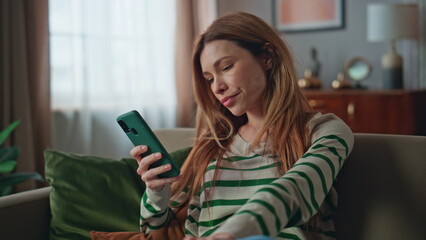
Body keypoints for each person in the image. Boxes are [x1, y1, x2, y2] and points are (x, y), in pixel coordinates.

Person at [130, 12, 354, 240]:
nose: (217, 87)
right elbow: (154, 227)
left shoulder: (324, 130)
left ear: (267, 57)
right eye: (209, 79)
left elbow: (294, 191)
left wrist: (230, 233)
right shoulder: (211, 147)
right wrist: (156, 192)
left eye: (226, 67)